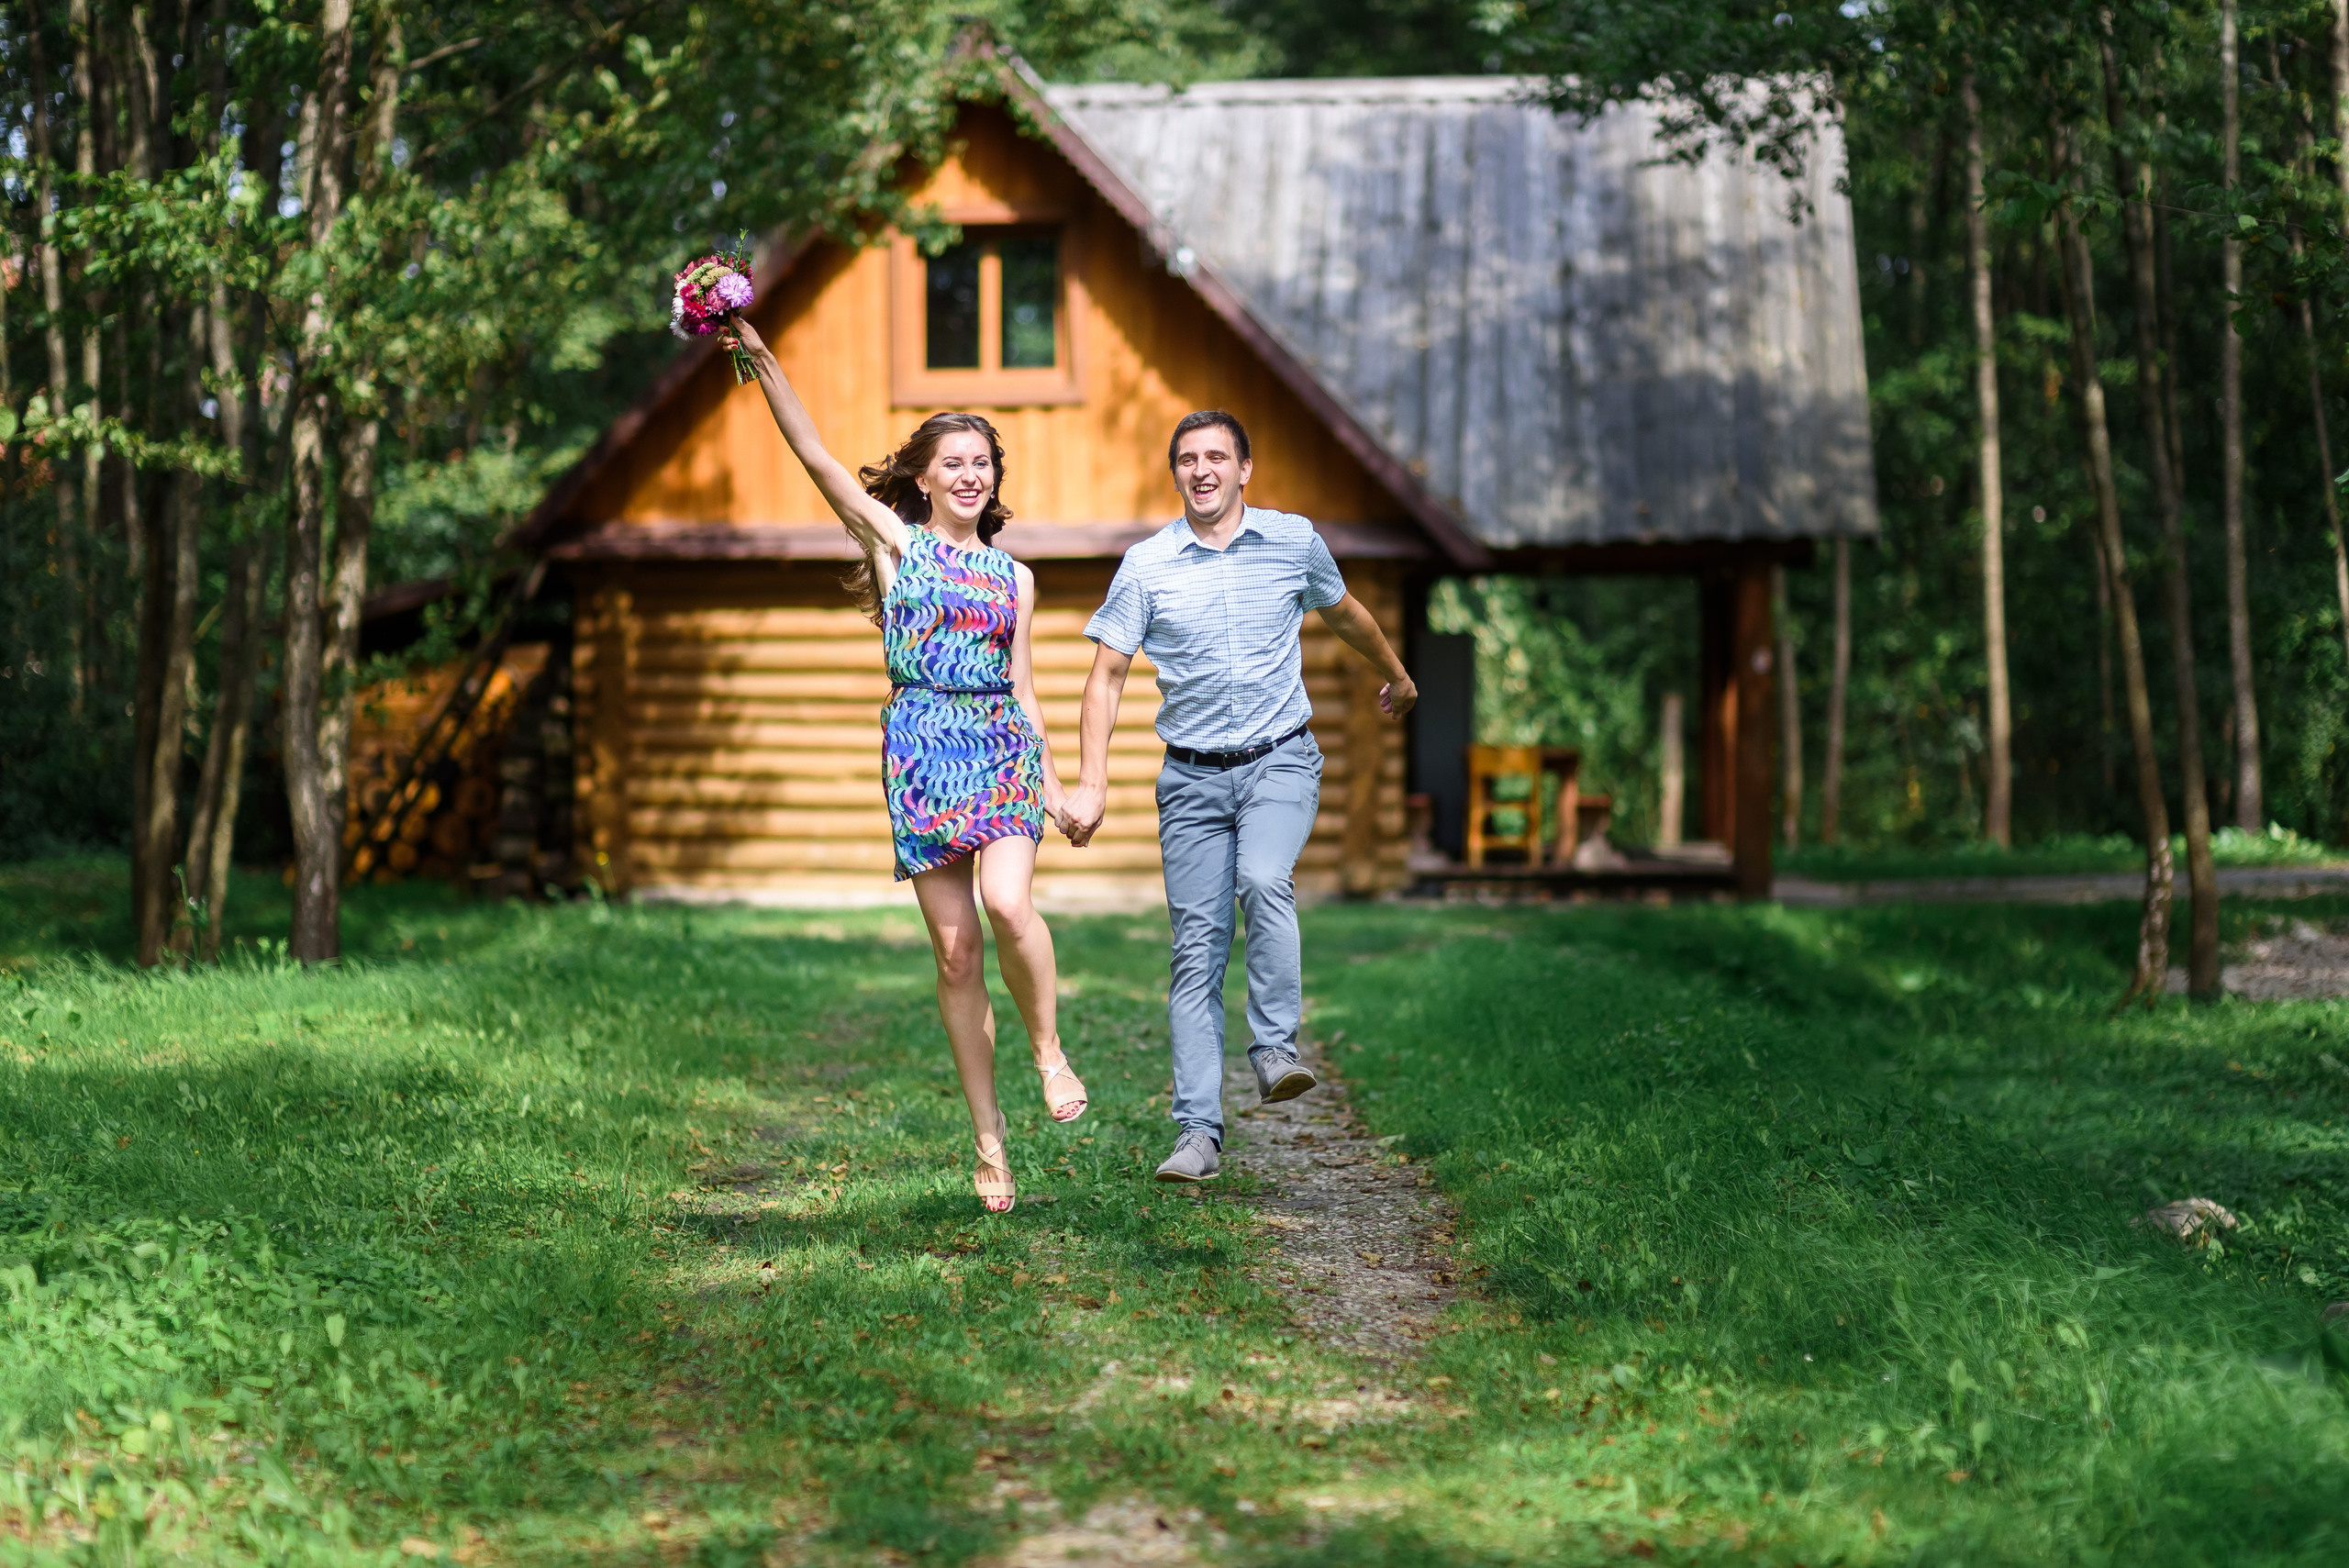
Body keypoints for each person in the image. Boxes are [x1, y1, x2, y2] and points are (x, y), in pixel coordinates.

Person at [729, 314, 1086, 1215]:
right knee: (957, 954)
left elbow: (1025, 688)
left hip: (999, 743)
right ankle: (989, 1140)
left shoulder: (1016, 579)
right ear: (922, 478)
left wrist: (1054, 786)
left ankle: (1048, 1049)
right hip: (922, 749)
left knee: (1008, 903)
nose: (970, 475)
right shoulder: (897, 543)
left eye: (982, 463)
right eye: (953, 463)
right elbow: (815, 456)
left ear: (994, 477)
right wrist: (761, 357)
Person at [1063, 411, 1415, 1183]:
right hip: (1190, 779)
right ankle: (1198, 1134)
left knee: (1263, 876)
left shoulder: (1292, 541)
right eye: (1188, 459)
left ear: (1244, 469)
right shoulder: (1148, 564)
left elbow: (1346, 613)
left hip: (1279, 760)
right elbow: (1107, 676)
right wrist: (1092, 780)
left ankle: (1275, 1048)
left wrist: (1396, 672)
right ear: (1176, 474)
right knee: (1196, 950)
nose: (1202, 470)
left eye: (1217, 456)